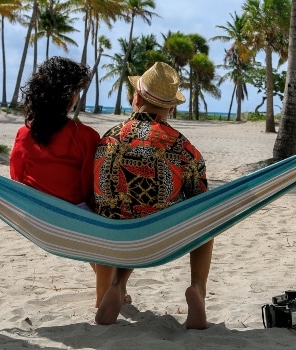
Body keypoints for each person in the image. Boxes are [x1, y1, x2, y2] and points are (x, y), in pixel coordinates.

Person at [93, 62, 213, 329]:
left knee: (130, 211)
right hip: (162, 236)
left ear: (136, 98)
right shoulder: (183, 147)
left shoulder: (107, 140)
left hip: (115, 235)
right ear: (171, 108)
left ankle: (117, 284)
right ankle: (198, 289)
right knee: (209, 218)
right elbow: (202, 200)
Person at [9, 56, 109, 308]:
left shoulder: (24, 134)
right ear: (68, 96)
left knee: (89, 231)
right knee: (105, 238)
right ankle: (105, 296)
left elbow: (16, 178)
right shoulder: (85, 136)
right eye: (76, 90)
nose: (77, 95)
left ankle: (107, 287)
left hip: (36, 215)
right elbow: (89, 185)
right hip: (74, 215)